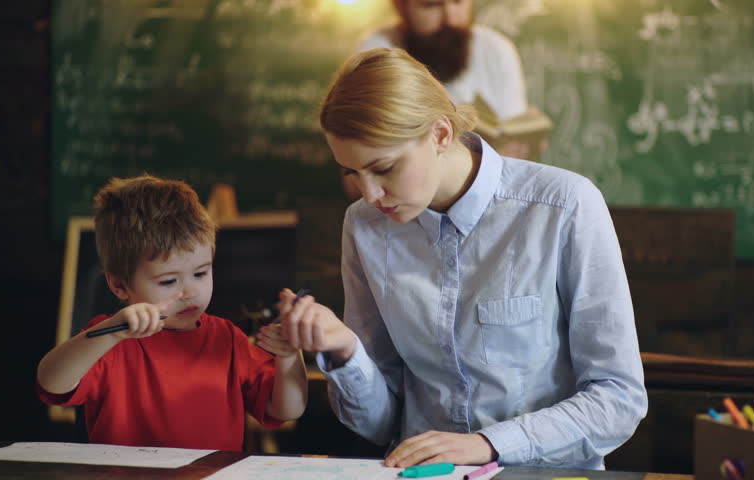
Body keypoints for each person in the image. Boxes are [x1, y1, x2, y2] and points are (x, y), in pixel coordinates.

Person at [276, 47, 647, 469]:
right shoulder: (364, 226)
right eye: (351, 173)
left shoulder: (564, 206)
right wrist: (344, 351)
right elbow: (379, 425)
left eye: (384, 168)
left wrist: (489, 444)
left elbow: (619, 398)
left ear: (439, 134)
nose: (369, 193)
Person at [36, 175, 307, 451]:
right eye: (168, 281)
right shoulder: (110, 340)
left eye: (201, 273)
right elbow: (51, 383)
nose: (190, 292)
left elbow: (287, 410)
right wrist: (110, 334)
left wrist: (288, 355)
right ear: (119, 285)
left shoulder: (227, 339)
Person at [358, 0, 526, 122]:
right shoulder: (375, 55)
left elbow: (513, 131)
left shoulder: (497, 49)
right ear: (401, 7)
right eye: (432, 5)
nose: (450, 19)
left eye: (458, 2)